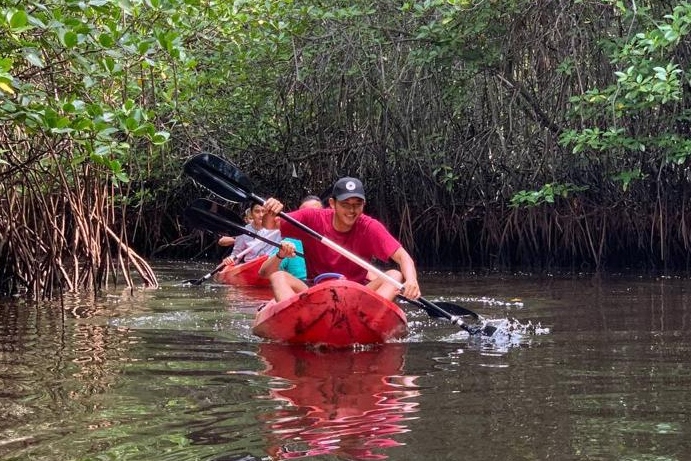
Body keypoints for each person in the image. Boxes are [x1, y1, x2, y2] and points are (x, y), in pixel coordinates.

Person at [262, 178, 420, 302]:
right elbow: (269, 225)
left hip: (357, 294)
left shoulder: (369, 226)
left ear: (363, 204)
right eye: (345, 204)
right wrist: (271, 211)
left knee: (395, 275)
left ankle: (370, 317)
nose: (352, 210)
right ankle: (296, 320)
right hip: (315, 290)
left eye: (357, 205)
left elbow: (403, 257)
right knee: (278, 276)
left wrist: (412, 280)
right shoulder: (311, 217)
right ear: (332, 204)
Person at [259, 196, 324, 281]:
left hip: (336, 286)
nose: (310, 218)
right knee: (279, 277)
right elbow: (264, 274)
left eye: (315, 213)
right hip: (304, 289)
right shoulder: (290, 242)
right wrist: (280, 255)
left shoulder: (335, 241)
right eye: (306, 214)